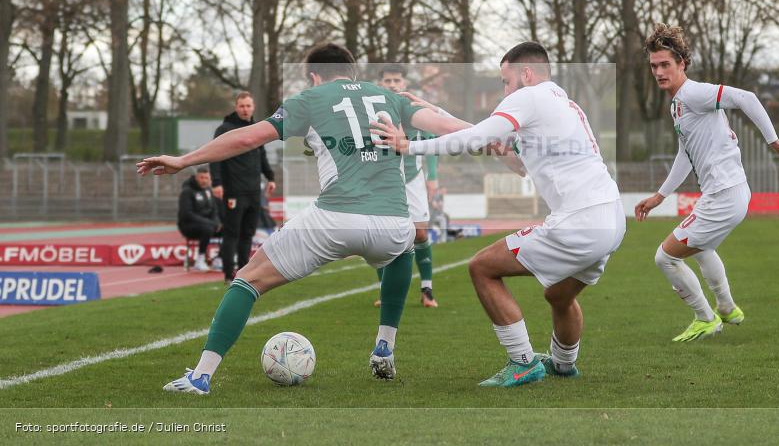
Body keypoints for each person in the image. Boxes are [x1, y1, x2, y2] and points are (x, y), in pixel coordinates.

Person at [137, 43, 468, 395]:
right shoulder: (391, 97)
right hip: (392, 222)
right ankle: (384, 346)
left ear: (313, 76)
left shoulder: (309, 99)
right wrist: (507, 135)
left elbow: (248, 137)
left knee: (247, 281)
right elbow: (451, 127)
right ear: (353, 72)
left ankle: (201, 376)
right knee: (402, 251)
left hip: (334, 218)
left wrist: (184, 160)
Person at [372, 42, 625, 388]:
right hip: (611, 218)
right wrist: (439, 114)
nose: (503, 91)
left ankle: (522, 363)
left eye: (505, 82)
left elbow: (480, 135)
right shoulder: (562, 103)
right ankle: (564, 364)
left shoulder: (528, 98)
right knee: (558, 296)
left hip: (580, 221)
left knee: (482, 267)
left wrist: (410, 146)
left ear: (525, 74)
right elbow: (503, 147)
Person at [634, 24, 779, 342]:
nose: (659, 71)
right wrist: (660, 195)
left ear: (682, 63)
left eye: (665, 64)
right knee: (702, 248)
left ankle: (705, 318)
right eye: (654, 66)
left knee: (665, 257)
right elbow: (685, 152)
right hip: (723, 193)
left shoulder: (693, 93)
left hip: (725, 193)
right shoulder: (677, 104)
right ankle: (727, 308)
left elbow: (745, 97)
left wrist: (773, 140)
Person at [374, 64, 440, 308]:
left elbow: (432, 141)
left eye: (397, 80)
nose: (392, 84)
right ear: (379, 83)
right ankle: (385, 290)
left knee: (420, 233)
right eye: (388, 80)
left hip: (413, 177)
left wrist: (432, 177)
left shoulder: (413, 109)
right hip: (383, 180)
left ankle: (427, 290)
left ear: (404, 84)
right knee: (383, 236)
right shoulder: (372, 109)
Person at [210, 92, 277, 282]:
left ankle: (242, 272)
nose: (245, 109)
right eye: (242, 106)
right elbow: (214, 155)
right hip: (234, 190)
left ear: (253, 107)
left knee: (248, 233)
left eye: (248, 106)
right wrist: (216, 182)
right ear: (236, 107)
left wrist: (270, 177)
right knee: (232, 232)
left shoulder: (256, 128)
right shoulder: (224, 129)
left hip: (254, 190)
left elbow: (261, 155)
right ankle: (227, 273)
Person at [177, 166, 222, 272]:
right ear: (196, 177)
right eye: (202, 178)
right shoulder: (187, 192)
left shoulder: (208, 191)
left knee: (230, 229)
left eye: (206, 178)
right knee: (208, 229)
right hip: (188, 225)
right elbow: (187, 214)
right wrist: (211, 223)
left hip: (207, 224)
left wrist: (217, 223)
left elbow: (214, 211)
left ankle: (219, 259)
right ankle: (200, 260)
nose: (204, 180)